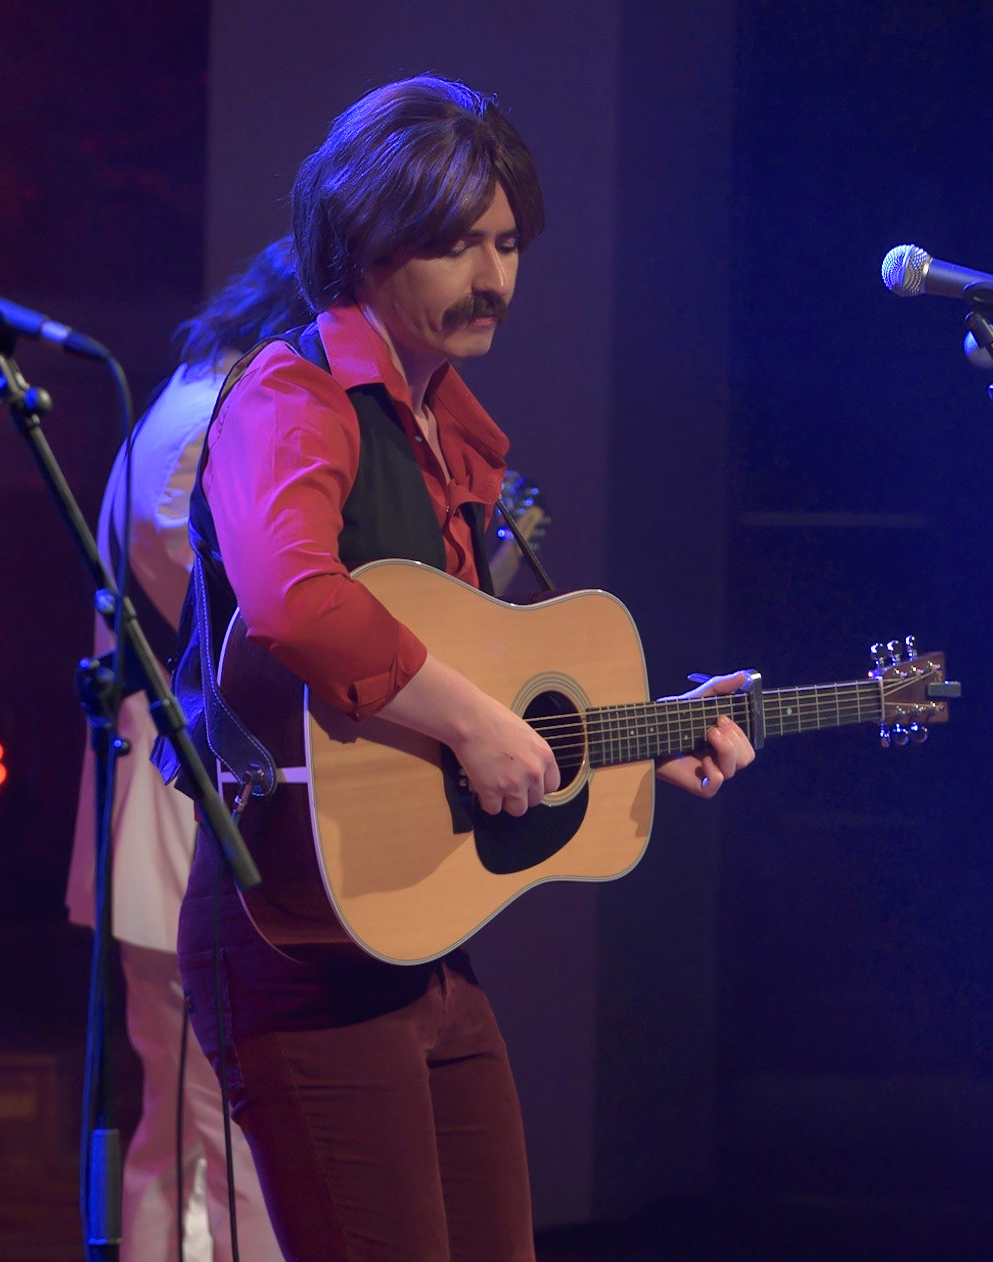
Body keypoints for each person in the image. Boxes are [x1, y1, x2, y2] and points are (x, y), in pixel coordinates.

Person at [168, 75, 755, 1262]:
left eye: (507, 242)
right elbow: (294, 599)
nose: (493, 277)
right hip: (294, 936)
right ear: (363, 244)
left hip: (414, 930)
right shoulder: (294, 395)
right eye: (453, 245)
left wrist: (638, 729)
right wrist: (480, 727)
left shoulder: (450, 432)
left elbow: (467, 667)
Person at [66, 239, 310, 1262]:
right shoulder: (205, 424)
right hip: (176, 828)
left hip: (180, 822)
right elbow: (232, 636)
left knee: (192, 1135)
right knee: (218, 1137)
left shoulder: (196, 401)